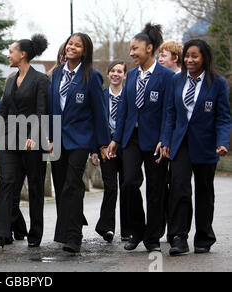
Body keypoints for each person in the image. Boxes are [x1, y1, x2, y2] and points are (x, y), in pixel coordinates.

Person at [107, 23, 175, 252]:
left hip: (156, 141)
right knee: (129, 184)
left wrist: (165, 139)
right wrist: (116, 139)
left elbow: (169, 111)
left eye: (135, 48)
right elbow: (125, 109)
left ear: (149, 48)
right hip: (131, 139)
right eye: (130, 48)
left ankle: (153, 238)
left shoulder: (166, 76)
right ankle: (137, 231)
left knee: (155, 189)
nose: (131, 53)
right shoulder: (132, 75)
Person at [162, 39, 231, 256]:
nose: (189, 60)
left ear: (204, 58)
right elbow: (170, 113)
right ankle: (179, 238)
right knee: (179, 188)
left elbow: (224, 117)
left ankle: (204, 237)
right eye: (187, 56)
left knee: (204, 191)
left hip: (206, 144)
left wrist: (222, 141)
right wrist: (165, 140)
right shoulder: (176, 80)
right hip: (180, 143)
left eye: (195, 56)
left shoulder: (217, 83)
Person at [49, 33, 110, 253]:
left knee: (72, 184)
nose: (72, 47)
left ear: (85, 51)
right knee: (61, 185)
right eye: (70, 43)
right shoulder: (56, 74)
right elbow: (52, 108)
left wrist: (100, 145)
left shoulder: (91, 76)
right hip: (58, 140)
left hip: (80, 140)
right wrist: (49, 136)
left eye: (78, 45)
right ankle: (64, 230)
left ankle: (74, 236)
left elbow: (99, 113)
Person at [0, 34, 49, 248]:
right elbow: (3, 111)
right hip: (9, 141)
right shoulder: (10, 80)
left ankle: (35, 234)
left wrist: (34, 136)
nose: (8, 55)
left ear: (22, 54)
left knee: (35, 187)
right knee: (7, 182)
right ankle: (2, 232)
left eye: (11, 51)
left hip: (31, 142)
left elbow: (42, 110)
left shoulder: (40, 79)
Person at [95, 60, 131, 243]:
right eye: (112, 71)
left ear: (125, 75)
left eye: (119, 71)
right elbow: (95, 122)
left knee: (127, 186)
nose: (116, 74)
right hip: (105, 147)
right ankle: (107, 227)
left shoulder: (130, 95)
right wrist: (96, 149)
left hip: (126, 146)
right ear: (108, 74)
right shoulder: (101, 96)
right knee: (110, 187)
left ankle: (128, 230)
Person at [158, 41, 183, 243]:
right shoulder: (164, 79)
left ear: (175, 58)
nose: (160, 59)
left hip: (179, 142)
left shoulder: (182, 79)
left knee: (177, 186)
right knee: (163, 185)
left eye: (164, 56)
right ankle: (166, 226)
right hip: (162, 140)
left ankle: (177, 228)